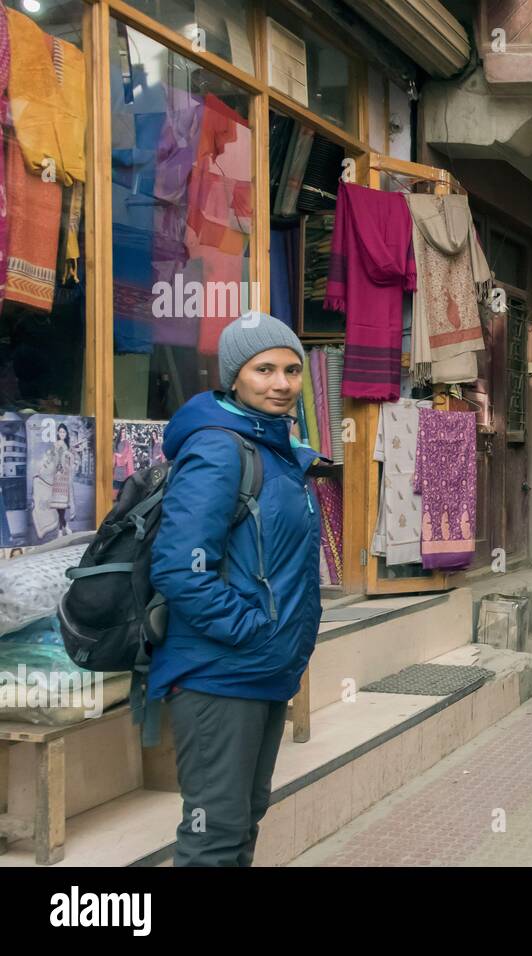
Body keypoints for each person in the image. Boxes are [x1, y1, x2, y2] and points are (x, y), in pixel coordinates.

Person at [149, 314, 322, 865]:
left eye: (292, 369)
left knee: (242, 821)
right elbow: (181, 568)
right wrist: (255, 631)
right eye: (263, 369)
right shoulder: (220, 449)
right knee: (213, 837)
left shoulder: (275, 450)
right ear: (233, 378)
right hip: (219, 671)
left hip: (264, 668)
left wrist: (275, 643)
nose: (281, 382)